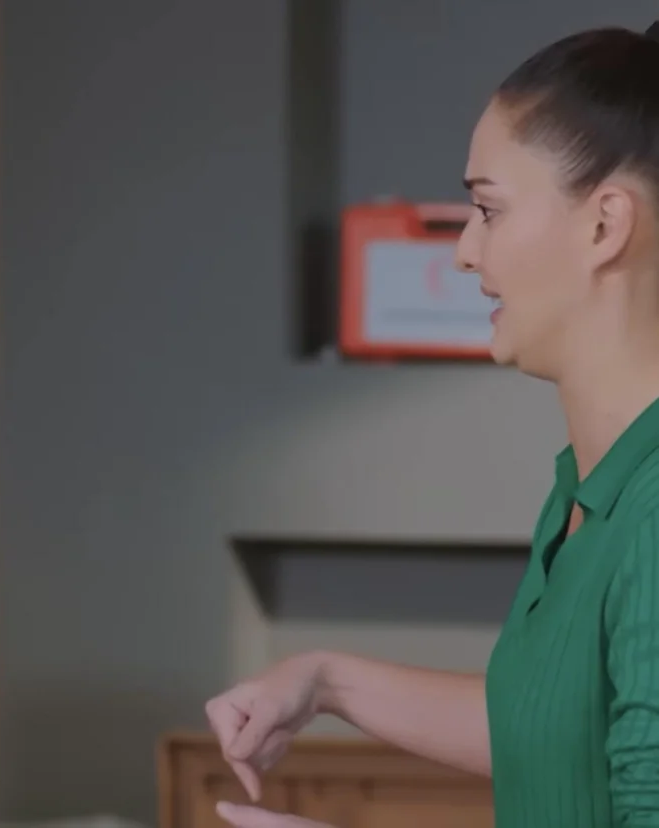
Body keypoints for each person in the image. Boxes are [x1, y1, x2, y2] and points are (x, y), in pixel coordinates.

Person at [206, 21, 659, 828]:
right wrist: (327, 680)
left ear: (604, 225)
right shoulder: (585, 491)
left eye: (488, 209)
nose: (464, 252)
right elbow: (556, 733)